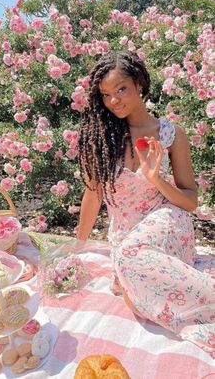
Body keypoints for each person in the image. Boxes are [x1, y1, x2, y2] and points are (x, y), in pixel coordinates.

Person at [76, 50, 215, 358]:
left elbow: (190, 201)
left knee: (129, 260)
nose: (114, 101)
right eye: (106, 95)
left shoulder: (170, 134)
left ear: (138, 83)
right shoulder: (99, 139)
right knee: (129, 286)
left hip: (167, 222)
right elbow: (92, 195)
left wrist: (156, 180)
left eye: (121, 89)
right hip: (127, 237)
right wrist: (77, 246)